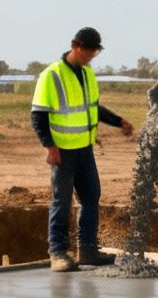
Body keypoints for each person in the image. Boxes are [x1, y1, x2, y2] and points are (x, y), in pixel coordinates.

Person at [32, 27, 133, 271]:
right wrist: (49, 146)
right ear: (76, 46)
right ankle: (57, 253)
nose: (92, 57)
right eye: (90, 52)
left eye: (95, 53)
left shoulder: (87, 74)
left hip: (84, 150)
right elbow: (38, 115)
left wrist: (119, 122)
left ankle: (87, 250)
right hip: (62, 151)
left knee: (91, 198)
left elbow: (93, 109)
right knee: (61, 201)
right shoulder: (52, 75)